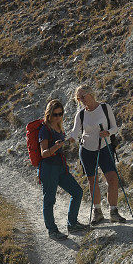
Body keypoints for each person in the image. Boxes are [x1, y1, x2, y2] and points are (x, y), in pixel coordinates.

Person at [69, 85, 126, 224]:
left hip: (105, 147)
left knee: (112, 178)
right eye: (78, 98)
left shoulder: (105, 108)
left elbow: (114, 128)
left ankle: (114, 212)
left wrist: (108, 133)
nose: (81, 100)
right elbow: (75, 133)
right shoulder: (81, 114)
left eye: (83, 96)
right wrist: (65, 139)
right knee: (92, 181)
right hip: (87, 150)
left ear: (91, 94)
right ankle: (98, 212)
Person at [38, 99, 88, 240]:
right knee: (49, 200)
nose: (58, 117)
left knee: (77, 192)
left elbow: (59, 146)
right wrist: (56, 147)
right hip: (48, 169)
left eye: (60, 114)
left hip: (60, 167)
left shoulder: (59, 127)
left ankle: (72, 224)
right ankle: (52, 231)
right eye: (55, 114)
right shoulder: (44, 130)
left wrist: (66, 142)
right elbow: (44, 153)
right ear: (49, 114)